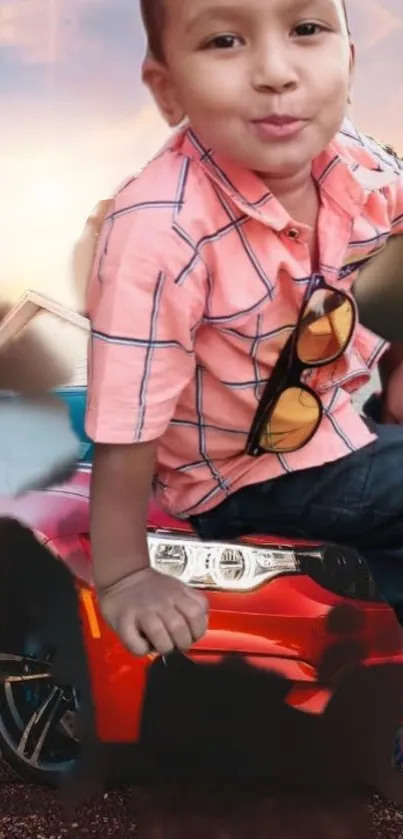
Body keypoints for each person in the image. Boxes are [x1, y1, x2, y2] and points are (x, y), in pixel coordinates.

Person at [85, 0, 403, 657]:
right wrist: (123, 574)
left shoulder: (357, 164)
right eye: (225, 40)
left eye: (306, 30)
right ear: (169, 89)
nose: (275, 71)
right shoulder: (160, 229)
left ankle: (374, 602)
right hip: (243, 474)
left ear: (346, 60)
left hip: (330, 418)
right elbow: (125, 414)